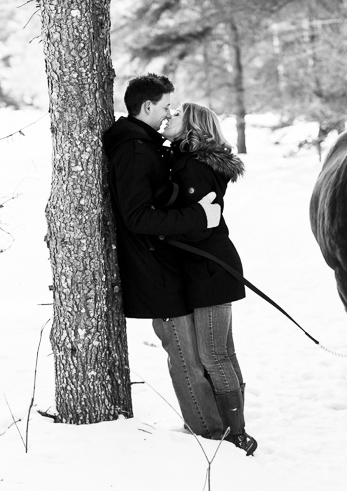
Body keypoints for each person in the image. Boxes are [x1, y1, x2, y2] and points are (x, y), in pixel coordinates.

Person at [102, 74, 225, 440]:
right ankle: (209, 434)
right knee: (185, 356)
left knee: (197, 355)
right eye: (167, 106)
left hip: (168, 261)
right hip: (152, 266)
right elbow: (137, 216)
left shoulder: (147, 143)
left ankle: (218, 426)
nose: (170, 112)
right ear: (148, 107)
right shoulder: (134, 149)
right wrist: (199, 217)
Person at [162, 102, 257, 456]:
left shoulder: (194, 167)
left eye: (176, 115)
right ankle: (237, 429)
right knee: (222, 353)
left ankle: (236, 433)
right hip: (210, 266)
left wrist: (161, 229)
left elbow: (202, 224)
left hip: (209, 269)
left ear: (192, 127)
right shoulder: (188, 161)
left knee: (214, 355)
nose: (168, 117)